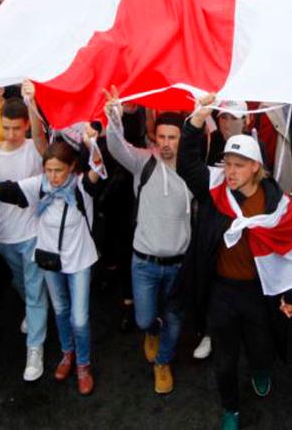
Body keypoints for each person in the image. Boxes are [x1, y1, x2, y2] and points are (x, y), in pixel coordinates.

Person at [179, 94, 292, 430]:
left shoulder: (276, 205)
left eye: (238, 165)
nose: (230, 171)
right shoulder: (215, 189)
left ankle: (261, 369)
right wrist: (197, 119)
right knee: (225, 359)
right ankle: (230, 408)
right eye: (227, 163)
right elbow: (186, 163)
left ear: (255, 168)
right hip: (221, 290)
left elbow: (291, 249)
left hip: (258, 292)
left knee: (261, 348)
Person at [0, 138, 105, 396]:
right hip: (50, 259)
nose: (53, 176)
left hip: (79, 260)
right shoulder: (39, 185)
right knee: (61, 310)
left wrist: (92, 142)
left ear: (71, 167)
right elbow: (6, 190)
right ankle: (67, 354)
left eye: (59, 170)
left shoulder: (81, 186)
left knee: (79, 318)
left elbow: (97, 166)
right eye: (49, 170)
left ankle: (83, 364)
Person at [104, 90, 194, 395]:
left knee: (175, 319)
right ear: (155, 138)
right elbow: (115, 145)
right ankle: (152, 332)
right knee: (144, 320)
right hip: (144, 262)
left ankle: (163, 363)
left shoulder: (193, 170)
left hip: (179, 265)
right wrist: (114, 116)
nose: (167, 143)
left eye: (173, 137)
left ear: (182, 139)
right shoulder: (143, 161)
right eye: (162, 137)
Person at [0, 83, 49, 381]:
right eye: (7, 128)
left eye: (17, 129)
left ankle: (35, 349)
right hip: (6, 235)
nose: (11, 134)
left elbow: (41, 138)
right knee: (21, 283)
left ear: (25, 126)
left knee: (33, 290)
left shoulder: (34, 149)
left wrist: (31, 102)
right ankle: (38, 312)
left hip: (33, 232)